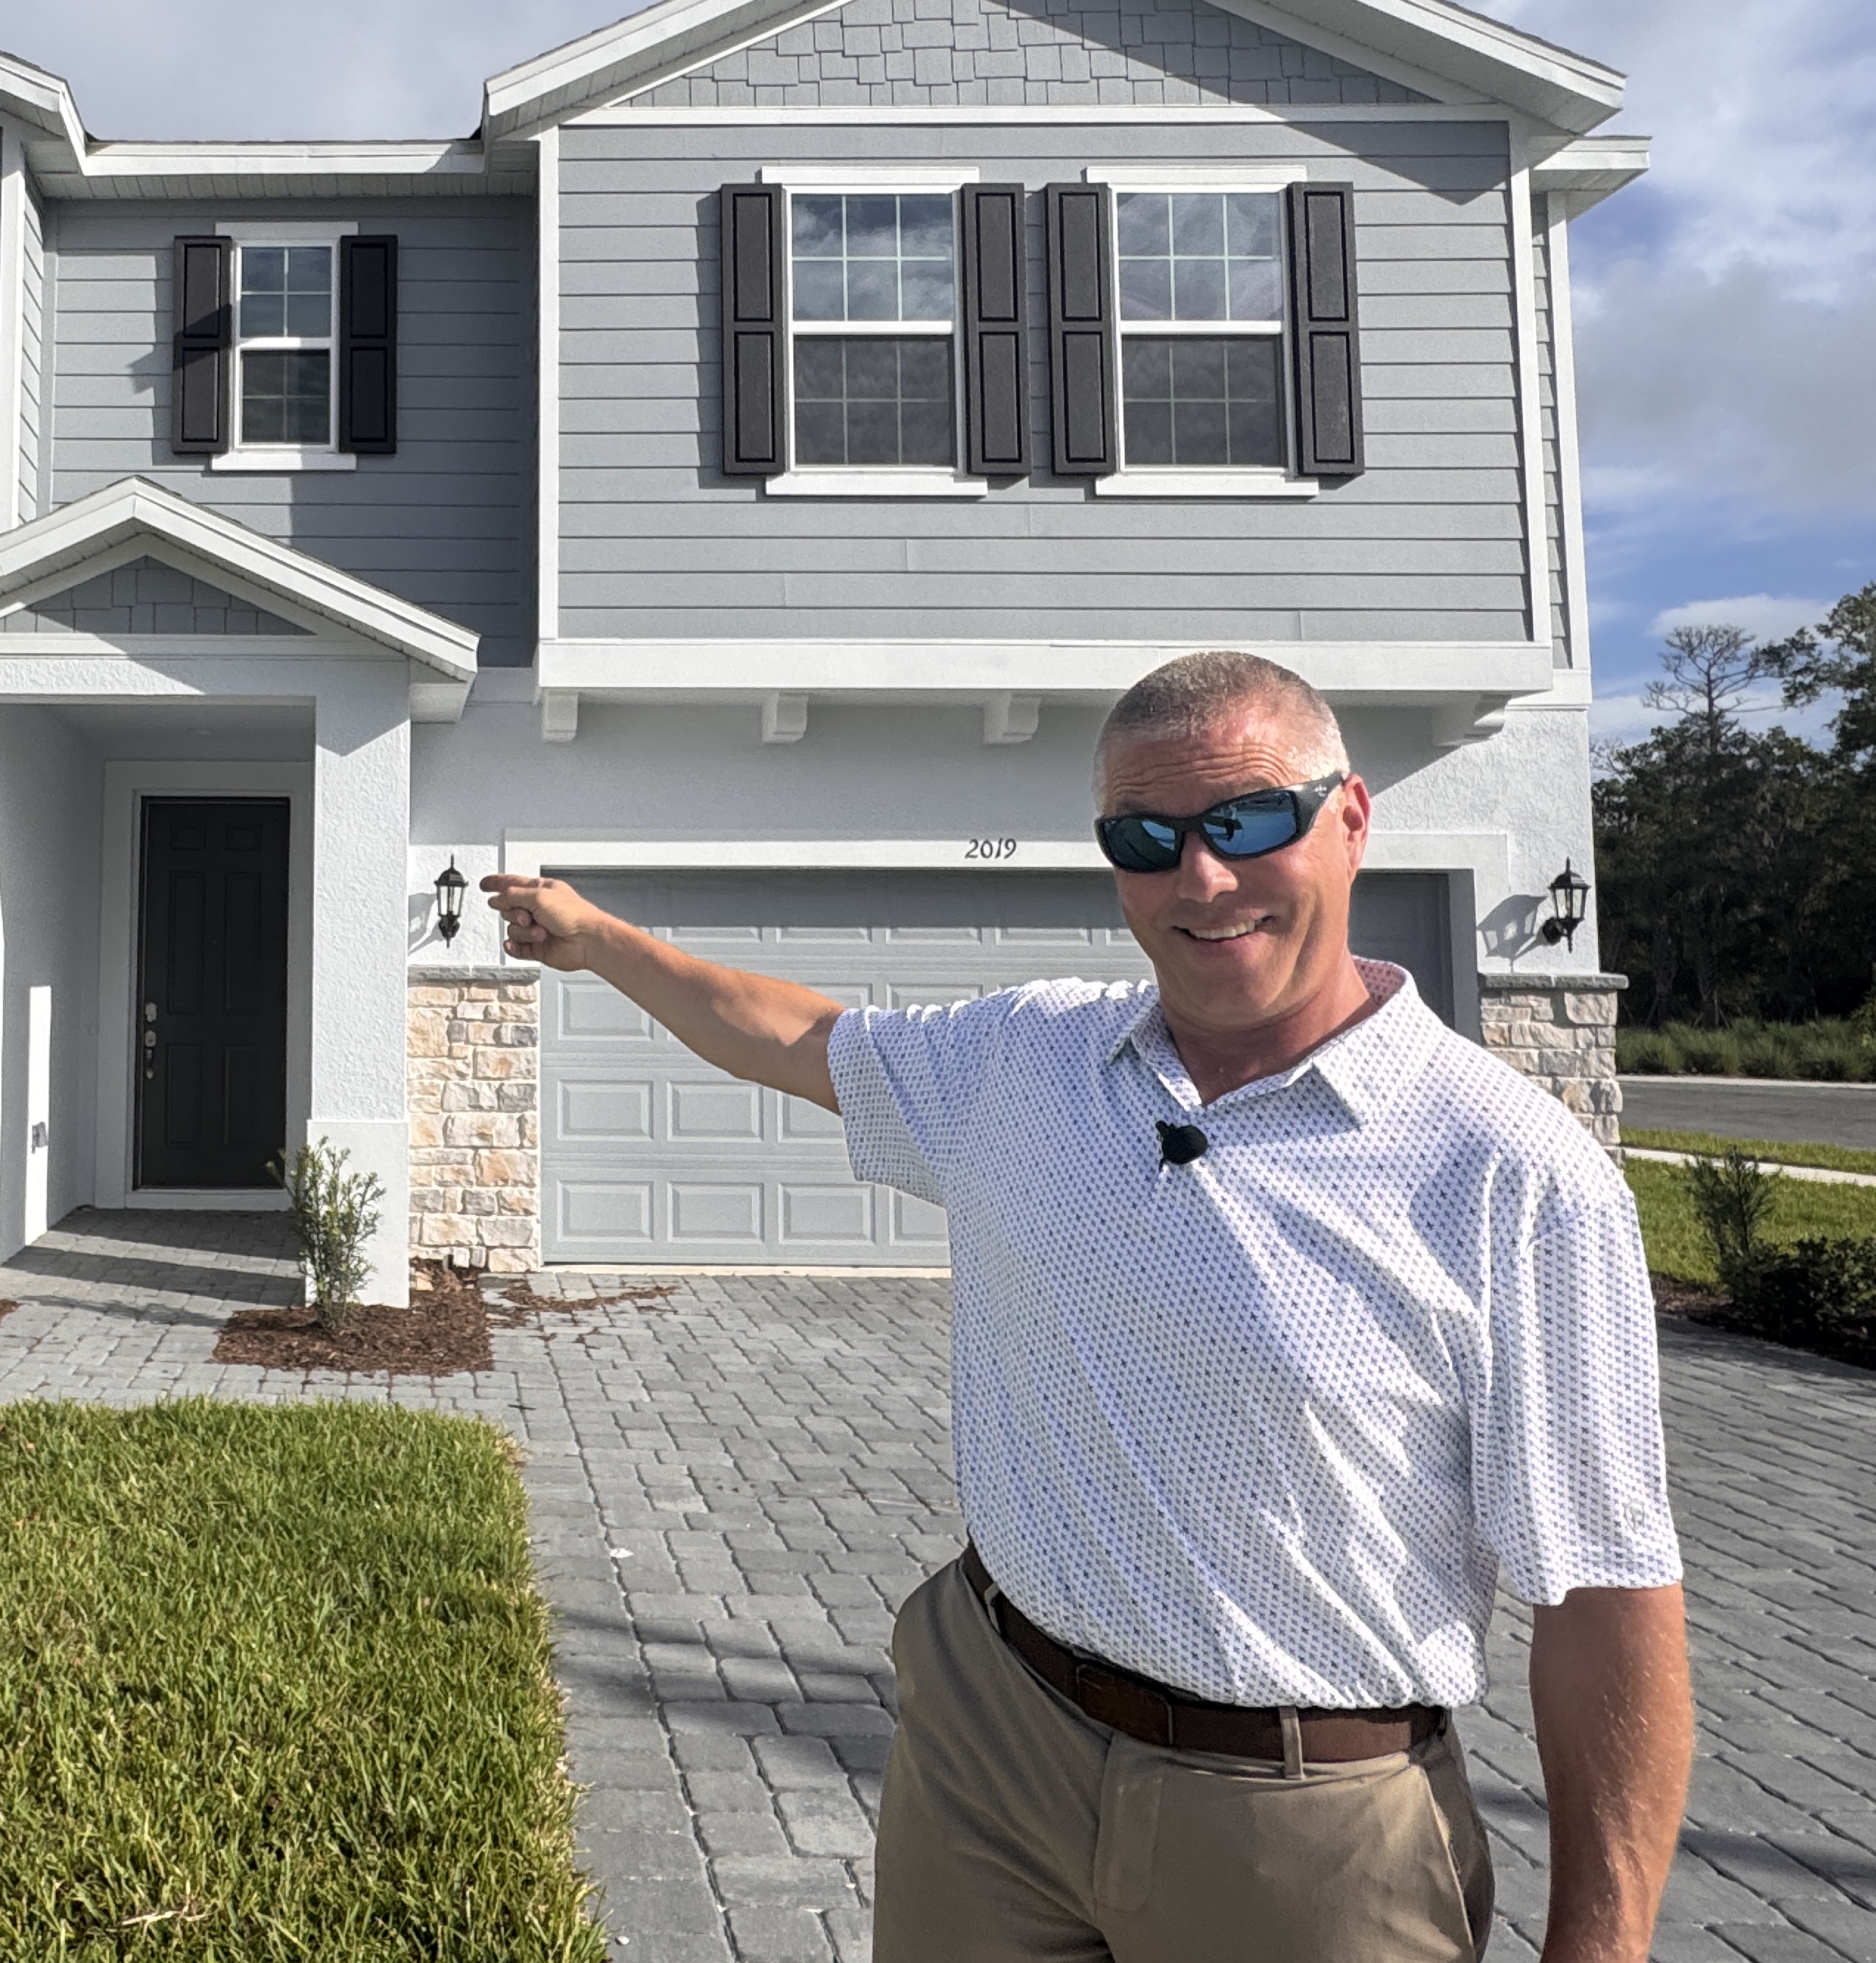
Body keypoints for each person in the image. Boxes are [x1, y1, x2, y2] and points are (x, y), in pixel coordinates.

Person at [483, 651, 1687, 1963]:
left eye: (1248, 821)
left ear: (1350, 818)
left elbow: (1607, 1591)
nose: (1203, 879)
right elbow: (795, 1034)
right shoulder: (1028, 1058)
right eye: (1147, 838)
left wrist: (1604, 1942)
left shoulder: (1512, 1170)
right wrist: (597, 941)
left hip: (1303, 1826)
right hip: (990, 1742)